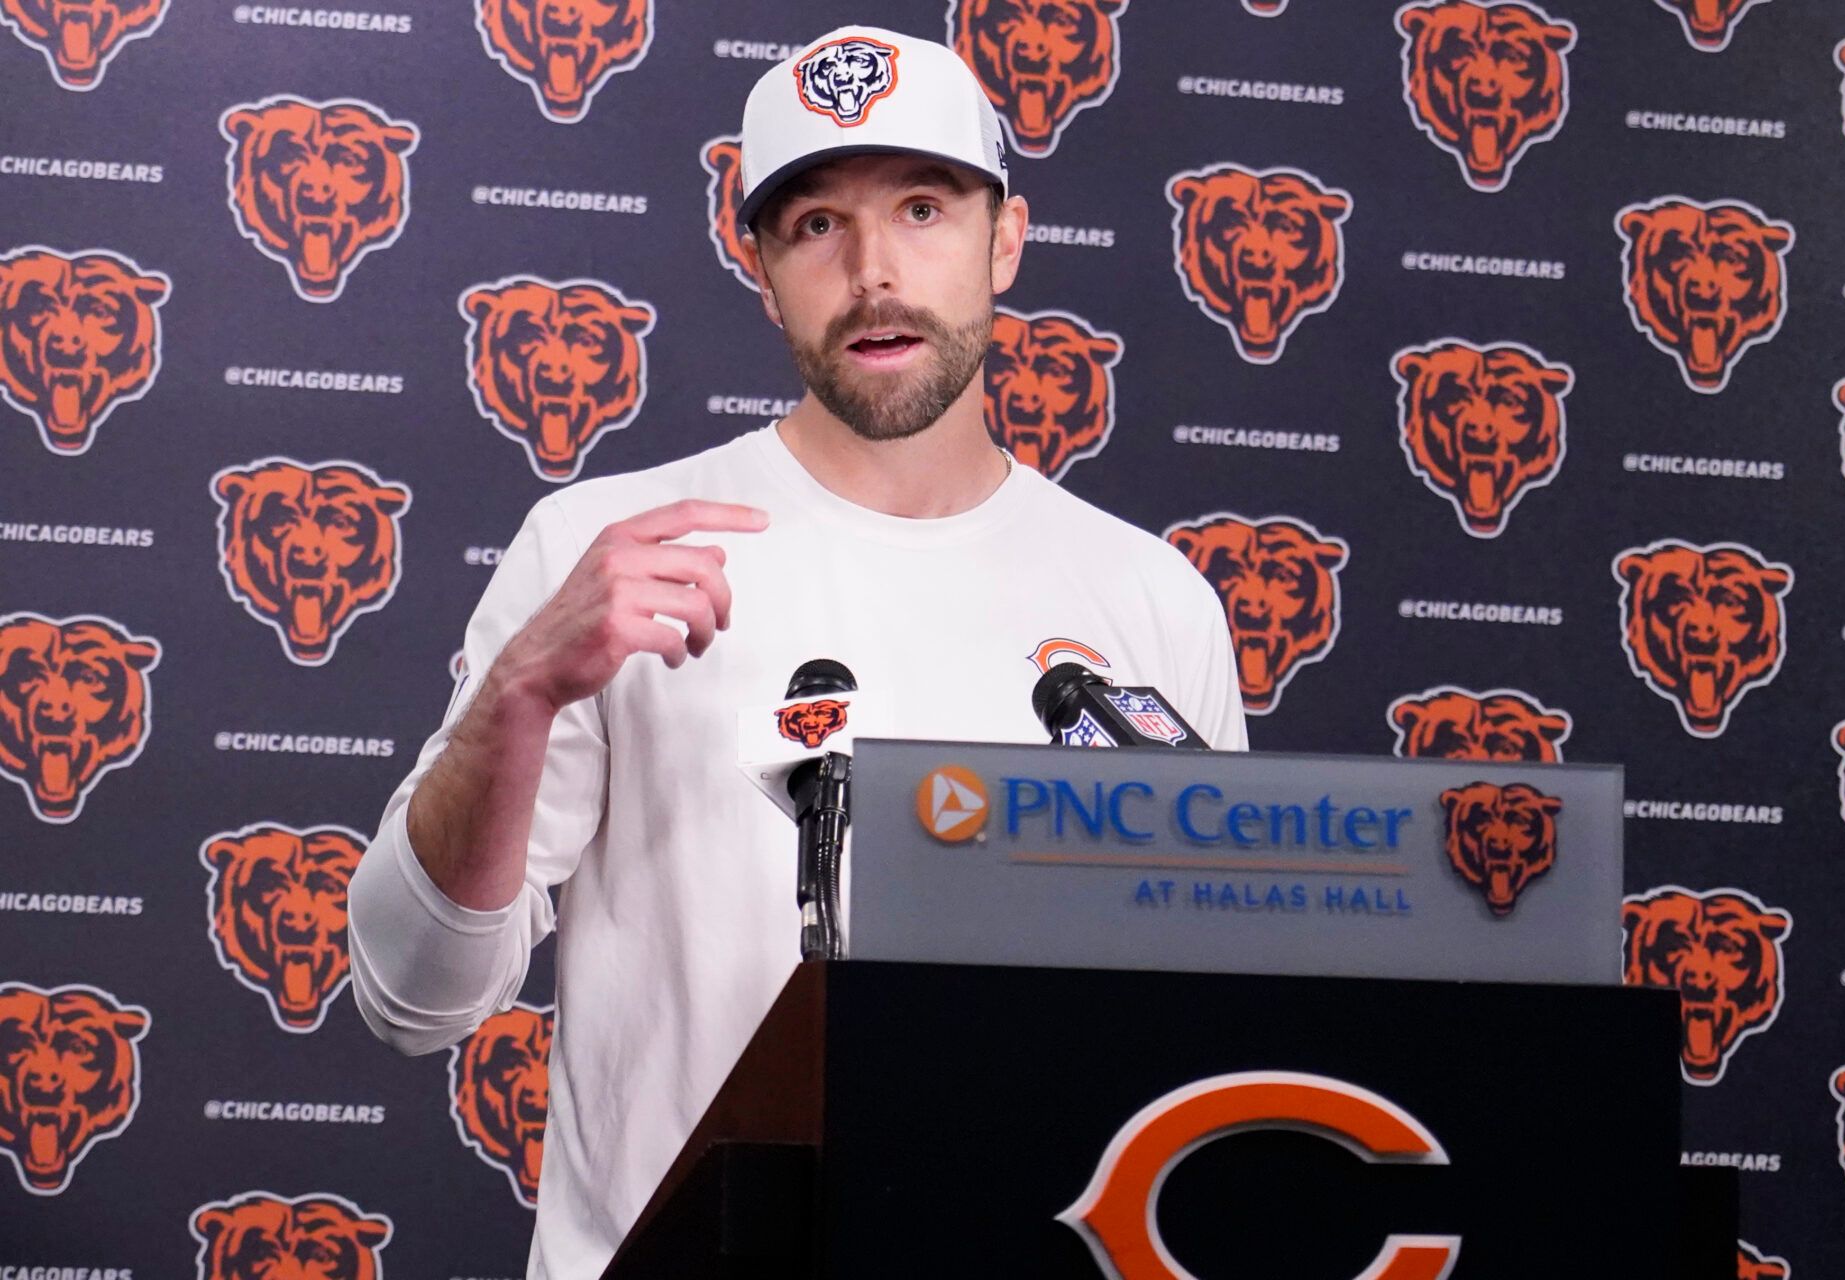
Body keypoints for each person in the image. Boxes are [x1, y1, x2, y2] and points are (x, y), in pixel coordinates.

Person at [345, 24, 1247, 1278]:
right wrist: (517, 697)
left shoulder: (1154, 601)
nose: (873, 273)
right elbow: (411, 995)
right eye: (817, 224)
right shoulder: (606, 549)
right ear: (761, 269)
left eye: (923, 208)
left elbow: (1204, 1043)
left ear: (1006, 240)